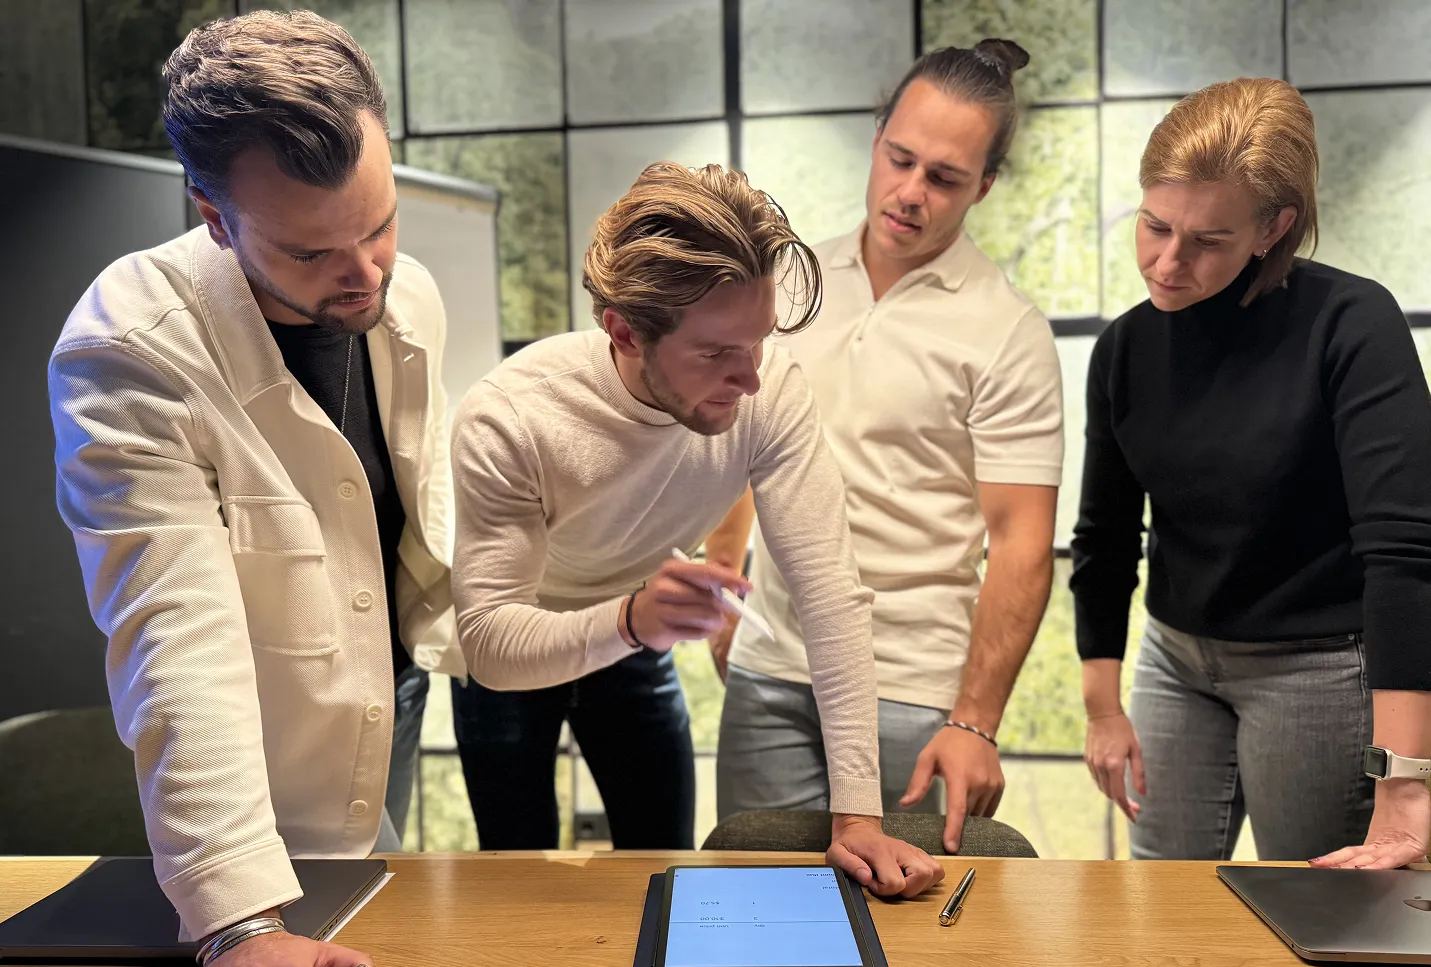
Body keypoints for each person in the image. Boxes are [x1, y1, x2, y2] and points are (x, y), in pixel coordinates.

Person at [48, 12, 465, 967]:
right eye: (314, 249)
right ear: (215, 218)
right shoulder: (128, 348)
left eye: (380, 223)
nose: (366, 273)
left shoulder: (404, 295)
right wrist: (235, 919)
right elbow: (174, 636)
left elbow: (408, 505)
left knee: (380, 948)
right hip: (254, 739)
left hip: (390, 691)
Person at [448, 160, 944, 898]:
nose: (747, 380)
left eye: (757, 344)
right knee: (515, 883)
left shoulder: (768, 388)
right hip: (528, 634)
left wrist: (856, 818)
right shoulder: (512, 416)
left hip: (636, 633)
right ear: (622, 331)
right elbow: (489, 643)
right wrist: (630, 617)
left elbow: (830, 599)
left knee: (662, 872)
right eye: (715, 353)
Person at [707, 40, 1064, 854]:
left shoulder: (1005, 329)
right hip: (770, 672)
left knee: (913, 942)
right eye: (899, 159)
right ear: (875, 141)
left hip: (910, 686)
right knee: (761, 913)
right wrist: (726, 583)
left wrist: (975, 719)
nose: (909, 193)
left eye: (943, 178)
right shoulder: (789, 282)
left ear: (985, 185)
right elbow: (738, 425)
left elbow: (1020, 542)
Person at [1073, 77, 1431, 868]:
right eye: (1154, 225)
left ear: (1274, 226)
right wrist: (1102, 704)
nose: (1167, 262)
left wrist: (1405, 782)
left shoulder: (1350, 325)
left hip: (1316, 665)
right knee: (1159, 901)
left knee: (1319, 909)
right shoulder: (1125, 350)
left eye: (1206, 241)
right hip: (1175, 658)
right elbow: (1103, 537)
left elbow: (1403, 551)